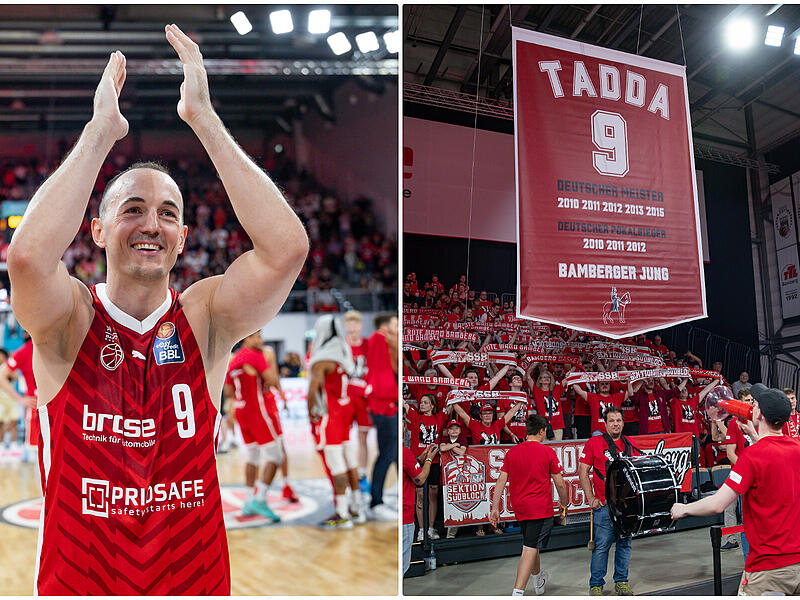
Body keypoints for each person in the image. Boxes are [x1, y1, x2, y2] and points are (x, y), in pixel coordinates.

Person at [8, 27, 308, 595]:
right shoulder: (69, 318)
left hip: (194, 582)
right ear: (95, 229)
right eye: (133, 209)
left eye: (168, 213)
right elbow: (25, 257)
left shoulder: (206, 317)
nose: (151, 223)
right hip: (81, 584)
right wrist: (100, 134)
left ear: (183, 236)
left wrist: (205, 120)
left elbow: (288, 249)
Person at [671, 384, 800, 596]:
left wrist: (684, 509)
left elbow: (717, 504)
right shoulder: (796, 448)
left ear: (759, 415)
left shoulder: (752, 456)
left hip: (768, 570)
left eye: (755, 404)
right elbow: (776, 453)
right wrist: (755, 436)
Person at [490, 414, 569, 596]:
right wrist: (563, 506)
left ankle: (538, 580)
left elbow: (501, 480)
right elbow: (560, 484)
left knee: (531, 544)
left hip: (520, 508)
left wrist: (495, 508)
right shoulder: (547, 452)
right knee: (529, 548)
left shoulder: (512, 452)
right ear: (542, 431)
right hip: (540, 509)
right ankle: (518, 592)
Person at [307, 315, 364, 529]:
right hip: (346, 413)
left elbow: (313, 391)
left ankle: (342, 513)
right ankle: (357, 508)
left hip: (330, 416)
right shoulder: (343, 354)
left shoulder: (322, 360)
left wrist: (311, 412)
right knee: (351, 462)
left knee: (336, 465)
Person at [578, 406, 639, 596]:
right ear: (605, 424)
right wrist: (590, 498)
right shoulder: (594, 442)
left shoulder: (630, 444)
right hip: (604, 506)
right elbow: (582, 470)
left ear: (623, 423)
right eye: (611, 421)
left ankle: (621, 581)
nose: (615, 424)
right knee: (602, 545)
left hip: (627, 506)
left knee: (625, 544)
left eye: (619, 420)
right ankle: (596, 584)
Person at [224, 332, 284, 522]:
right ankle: (260, 498)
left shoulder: (233, 358)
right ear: (247, 339)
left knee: (252, 456)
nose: (261, 341)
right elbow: (273, 380)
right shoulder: (254, 355)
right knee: (276, 456)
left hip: (241, 411)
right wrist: (271, 365)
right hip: (257, 411)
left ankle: (249, 500)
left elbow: (228, 391)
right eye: (257, 336)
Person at [365, 313, 398, 520]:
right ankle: (375, 501)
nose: (398, 327)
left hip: (387, 406)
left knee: (394, 454)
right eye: (395, 324)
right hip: (384, 407)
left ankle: (394, 490)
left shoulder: (384, 345)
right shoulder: (378, 338)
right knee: (386, 454)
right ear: (385, 327)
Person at [405, 394, 449, 540]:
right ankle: (421, 530)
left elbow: (452, 402)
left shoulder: (439, 417)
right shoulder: (416, 416)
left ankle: (430, 528)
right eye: (421, 402)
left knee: (433, 495)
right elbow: (403, 403)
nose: (422, 404)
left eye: (425, 402)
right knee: (420, 495)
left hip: (435, 461)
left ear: (432, 405)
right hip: (418, 461)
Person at [343, 310, 372, 493]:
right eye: (349, 324)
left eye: (355, 324)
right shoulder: (341, 345)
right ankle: (347, 474)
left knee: (363, 438)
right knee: (343, 438)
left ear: (361, 326)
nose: (352, 328)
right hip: (344, 398)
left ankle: (362, 475)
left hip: (363, 397)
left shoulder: (368, 345)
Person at [402, 441, 438, 575]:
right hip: (404, 518)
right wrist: (429, 460)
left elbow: (408, 467)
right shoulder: (403, 451)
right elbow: (420, 479)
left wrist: (418, 459)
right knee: (402, 567)